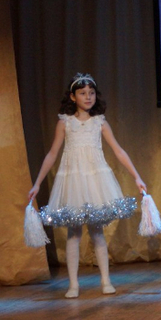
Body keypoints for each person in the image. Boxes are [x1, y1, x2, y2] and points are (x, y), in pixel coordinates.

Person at [28, 73, 146, 298]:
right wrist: (37, 184)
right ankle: (73, 285)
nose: (88, 97)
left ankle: (105, 280)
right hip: (73, 180)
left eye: (91, 93)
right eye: (82, 93)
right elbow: (52, 154)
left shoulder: (99, 122)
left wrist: (137, 177)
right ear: (73, 97)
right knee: (73, 233)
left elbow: (119, 151)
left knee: (97, 232)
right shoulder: (65, 123)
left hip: (95, 180)